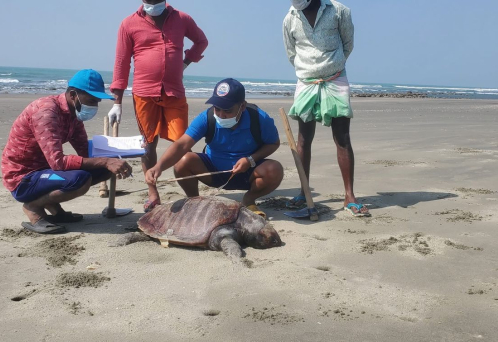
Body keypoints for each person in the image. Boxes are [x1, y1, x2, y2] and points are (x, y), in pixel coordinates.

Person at [1, 69, 133, 234]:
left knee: (103, 170)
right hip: (23, 177)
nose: (94, 106)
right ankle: (33, 207)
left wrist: (116, 155)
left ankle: (54, 208)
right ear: (73, 95)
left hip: (45, 171)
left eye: (97, 102)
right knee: (80, 179)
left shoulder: (73, 115)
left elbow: (85, 150)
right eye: (91, 100)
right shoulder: (46, 113)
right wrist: (106, 161)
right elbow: (58, 162)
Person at [109, 0, 208, 212]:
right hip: (144, 93)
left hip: (174, 91)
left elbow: (201, 41)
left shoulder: (182, 18)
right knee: (148, 143)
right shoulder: (128, 24)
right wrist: (117, 101)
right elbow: (121, 61)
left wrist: (186, 62)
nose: (152, 3)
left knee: (183, 143)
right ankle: (153, 193)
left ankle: (192, 195)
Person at [144, 79, 284, 218]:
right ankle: (195, 202)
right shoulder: (208, 117)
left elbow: (273, 143)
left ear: (242, 106)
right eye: (217, 108)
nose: (221, 115)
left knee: (274, 169)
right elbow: (181, 145)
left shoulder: (259, 118)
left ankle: (249, 199)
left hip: (248, 173)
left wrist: (250, 159)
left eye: (228, 110)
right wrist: (159, 167)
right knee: (184, 160)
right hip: (214, 172)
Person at [282, 0, 370, 217]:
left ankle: (349, 196)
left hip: (336, 78)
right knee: (304, 139)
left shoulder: (339, 11)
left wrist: (332, 65)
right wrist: (310, 70)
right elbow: (291, 53)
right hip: (306, 81)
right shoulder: (289, 18)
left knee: (342, 137)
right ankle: (303, 192)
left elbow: (348, 43)